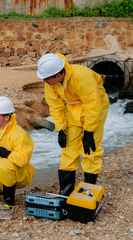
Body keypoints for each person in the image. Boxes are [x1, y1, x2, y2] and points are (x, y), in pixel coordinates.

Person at [37, 53, 109, 196]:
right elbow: (55, 105)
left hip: (96, 107)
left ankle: (88, 192)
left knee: (90, 149)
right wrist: (61, 129)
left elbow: (92, 104)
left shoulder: (81, 76)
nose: (44, 81)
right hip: (74, 109)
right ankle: (66, 191)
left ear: (59, 74)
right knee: (69, 149)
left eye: (47, 78)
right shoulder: (50, 82)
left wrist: (89, 131)